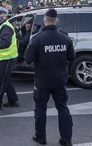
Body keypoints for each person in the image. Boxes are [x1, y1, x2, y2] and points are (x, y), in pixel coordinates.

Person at [24, 9, 75, 146]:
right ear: (56, 21)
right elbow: (72, 57)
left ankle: (40, 137)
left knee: (40, 108)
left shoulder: (37, 39)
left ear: (44, 21)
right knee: (62, 107)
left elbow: (28, 58)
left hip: (42, 80)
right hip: (60, 79)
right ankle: (66, 139)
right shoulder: (65, 38)